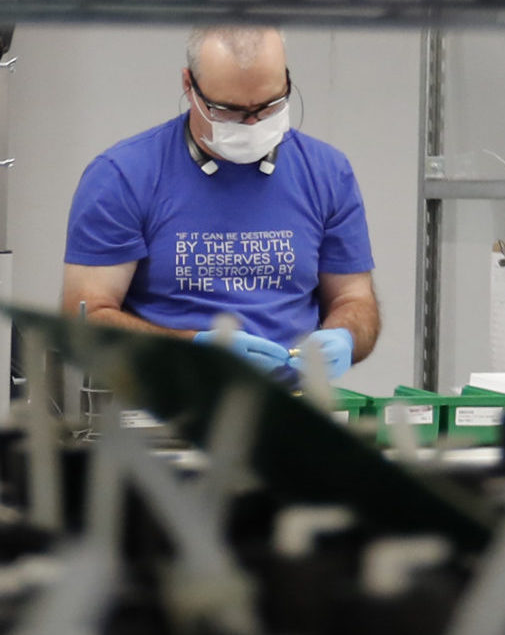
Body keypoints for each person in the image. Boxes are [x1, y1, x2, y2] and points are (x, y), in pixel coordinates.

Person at [60, 23, 378, 381]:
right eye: (229, 111)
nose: (252, 122)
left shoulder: (327, 174)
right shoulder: (122, 177)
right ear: (188, 86)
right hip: (163, 409)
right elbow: (85, 317)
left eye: (269, 106)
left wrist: (346, 336)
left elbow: (354, 300)